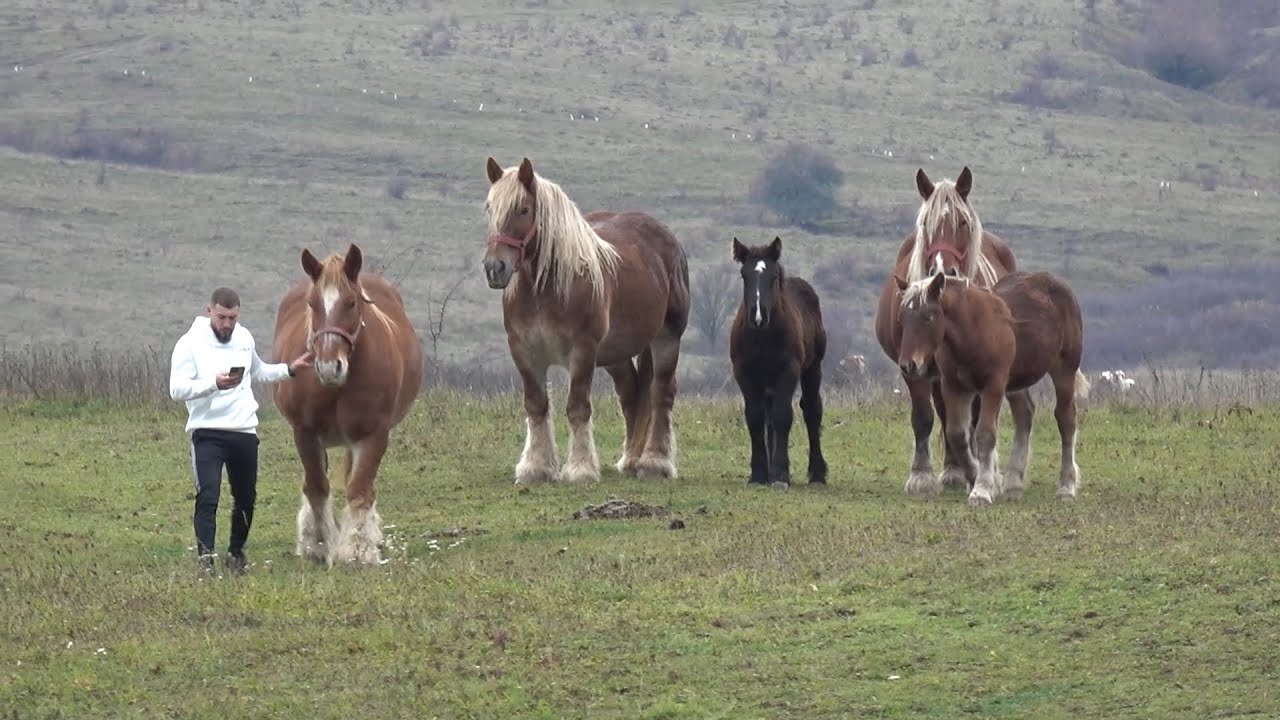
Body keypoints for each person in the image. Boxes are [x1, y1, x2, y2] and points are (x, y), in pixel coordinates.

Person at [168, 287, 312, 576]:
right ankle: (205, 561)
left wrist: (289, 369)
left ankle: (236, 554)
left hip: (244, 430)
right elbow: (176, 389)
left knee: (246, 497)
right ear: (210, 311)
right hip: (207, 431)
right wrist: (213, 384)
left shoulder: (244, 338)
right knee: (208, 496)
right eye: (222, 317)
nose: (227, 324)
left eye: (232, 317)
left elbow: (257, 371)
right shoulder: (189, 343)